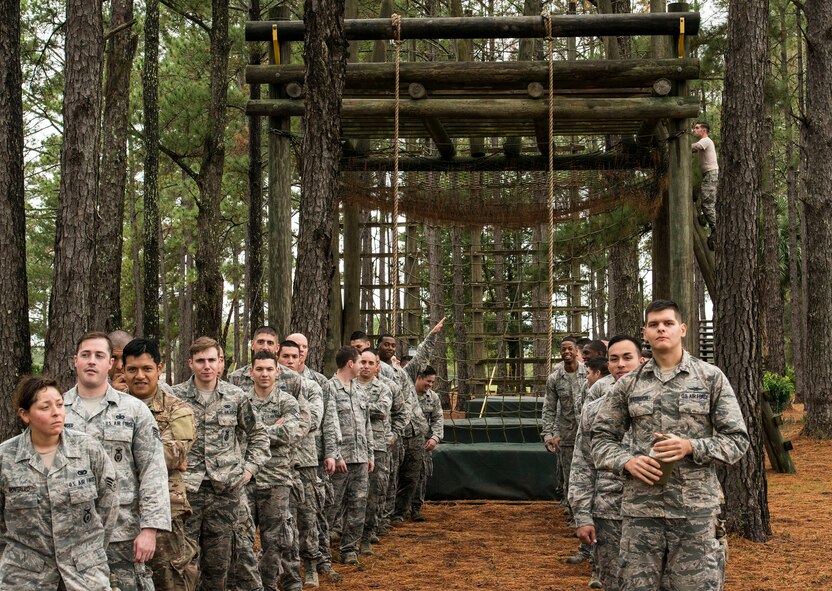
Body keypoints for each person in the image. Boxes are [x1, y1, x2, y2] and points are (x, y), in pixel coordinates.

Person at [591, 300, 749, 591]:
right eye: (653, 325)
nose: (661, 328)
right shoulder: (629, 384)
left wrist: (691, 446)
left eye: (668, 323)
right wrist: (626, 461)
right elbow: (600, 439)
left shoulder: (710, 378)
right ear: (645, 333)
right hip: (641, 513)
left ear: (682, 329)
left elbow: (737, 440)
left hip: (695, 514)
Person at [63, 331, 170, 590]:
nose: (91, 361)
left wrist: (150, 529)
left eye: (99, 355)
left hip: (122, 532)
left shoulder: (134, 410)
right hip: (68, 532)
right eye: (85, 355)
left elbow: (153, 470)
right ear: (74, 360)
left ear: (111, 363)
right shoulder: (55, 408)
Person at [0, 375, 118, 590]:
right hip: (26, 577)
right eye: (45, 407)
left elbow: (108, 506)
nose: (56, 412)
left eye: (60, 405)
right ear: (24, 414)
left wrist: (90, 553)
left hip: (85, 574)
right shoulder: (5, 458)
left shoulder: (88, 449)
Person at [173, 336, 271, 589]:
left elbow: (259, 434)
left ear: (220, 364)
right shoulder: (175, 397)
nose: (206, 366)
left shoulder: (235, 396)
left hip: (224, 491)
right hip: (187, 490)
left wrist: (249, 469)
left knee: (219, 565)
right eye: (200, 361)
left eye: (211, 360)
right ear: (190, 364)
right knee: (183, 561)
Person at [122, 338, 198, 591]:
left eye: (147, 368)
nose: (139, 376)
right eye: (132, 369)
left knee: (169, 579)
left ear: (159, 368)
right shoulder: (112, 409)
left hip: (164, 510)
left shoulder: (178, 410)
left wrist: (119, 454)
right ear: (123, 370)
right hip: (118, 510)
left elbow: (169, 455)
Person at [570, 335, 645, 591]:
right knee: (613, 582)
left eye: (627, 358)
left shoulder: (660, 405)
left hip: (654, 511)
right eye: (614, 359)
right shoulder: (594, 409)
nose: (620, 365)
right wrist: (581, 513)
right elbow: (582, 463)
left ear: (642, 361)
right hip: (610, 512)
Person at [284, 332, 343, 586]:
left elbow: (326, 420)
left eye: (303, 348)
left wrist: (331, 453)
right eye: (291, 349)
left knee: (312, 515)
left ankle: (317, 564)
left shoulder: (316, 382)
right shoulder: (267, 381)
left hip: (310, 457)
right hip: (276, 461)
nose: (298, 353)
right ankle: (285, 568)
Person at [245, 350, 305, 591]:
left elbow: (290, 433)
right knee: (242, 539)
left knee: (275, 541)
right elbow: (235, 435)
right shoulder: (241, 400)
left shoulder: (287, 402)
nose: (264, 374)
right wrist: (271, 428)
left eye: (269, 369)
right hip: (247, 479)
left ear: (277, 372)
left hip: (277, 480)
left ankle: (268, 585)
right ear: (251, 372)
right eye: (259, 369)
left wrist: (255, 432)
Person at [543, 336, 590, 565]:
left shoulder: (588, 374)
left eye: (570, 349)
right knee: (570, 478)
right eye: (563, 349)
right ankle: (575, 517)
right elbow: (549, 408)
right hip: (567, 435)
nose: (566, 352)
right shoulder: (555, 378)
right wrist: (548, 434)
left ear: (577, 351)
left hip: (588, 435)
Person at [327, 346, 375, 566]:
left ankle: (349, 550)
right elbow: (327, 425)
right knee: (331, 506)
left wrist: (370, 455)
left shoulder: (358, 389)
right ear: (350, 364)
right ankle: (321, 552)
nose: (362, 366)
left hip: (360, 458)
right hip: (339, 461)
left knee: (358, 506)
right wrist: (336, 455)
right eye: (359, 362)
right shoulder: (330, 388)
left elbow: (366, 425)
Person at [354, 348, 393, 555]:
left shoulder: (383, 388)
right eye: (363, 362)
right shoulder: (348, 386)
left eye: (371, 363)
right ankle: (348, 534)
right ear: (356, 364)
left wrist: (356, 406)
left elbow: (381, 411)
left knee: (373, 494)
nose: (366, 366)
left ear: (377, 367)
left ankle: (367, 536)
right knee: (351, 496)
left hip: (377, 446)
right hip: (352, 447)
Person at [410, 365, 444, 522]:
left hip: (423, 443)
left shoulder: (433, 398)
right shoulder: (406, 394)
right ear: (418, 377)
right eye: (428, 381)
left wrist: (435, 437)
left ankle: (415, 508)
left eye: (432, 382)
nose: (430, 385)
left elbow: (438, 418)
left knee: (421, 475)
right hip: (406, 440)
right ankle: (397, 510)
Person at [228, 326, 279, 391]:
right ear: (252, 345)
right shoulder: (235, 378)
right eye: (260, 342)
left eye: (270, 343)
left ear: (277, 348)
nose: (265, 347)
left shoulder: (293, 378)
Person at [692, 121, 719, 232]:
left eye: (697, 128)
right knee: (707, 201)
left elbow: (694, 147)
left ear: (704, 130)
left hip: (711, 175)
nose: (694, 130)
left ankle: (716, 229)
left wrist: (681, 144)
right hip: (709, 175)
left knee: (707, 204)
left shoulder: (706, 141)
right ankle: (710, 223)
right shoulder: (705, 141)